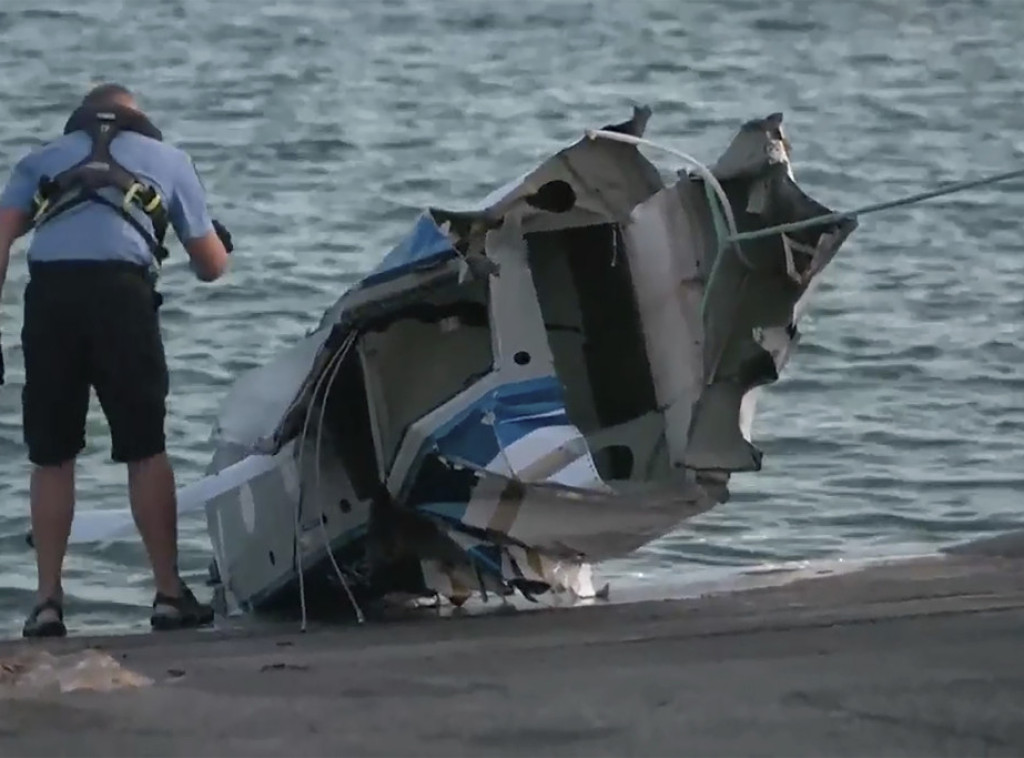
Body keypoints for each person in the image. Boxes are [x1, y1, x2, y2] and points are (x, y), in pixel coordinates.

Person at [0, 83, 234, 638]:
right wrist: (218, 242)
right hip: (121, 297)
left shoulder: (40, 161)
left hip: (51, 297)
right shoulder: (169, 161)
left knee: (51, 455)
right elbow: (211, 266)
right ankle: (169, 595)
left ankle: (48, 603)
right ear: (139, 120)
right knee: (145, 448)